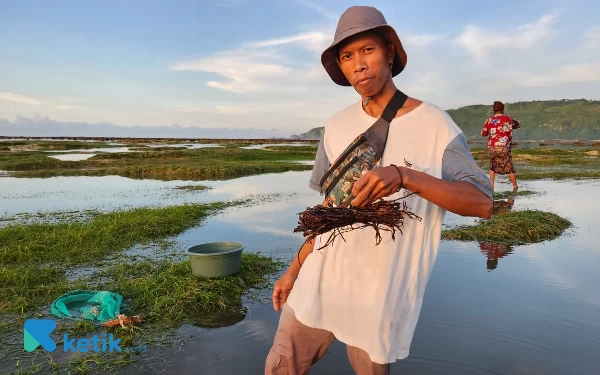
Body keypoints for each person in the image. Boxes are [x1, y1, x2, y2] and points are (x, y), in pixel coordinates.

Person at [265, 6, 493, 374]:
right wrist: (293, 271)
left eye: (367, 50)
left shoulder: (434, 124)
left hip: (379, 293)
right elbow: (328, 210)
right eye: (347, 56)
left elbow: (482, 203)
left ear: (389, 52)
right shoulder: (337, 126)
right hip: (320, 280)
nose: (358, 64)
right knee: (280, 365)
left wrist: (406, 176)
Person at [481, 101, 521, 192]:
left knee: (492, 166)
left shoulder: (490, 120)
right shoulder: (508, 118)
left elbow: (483, 133)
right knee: (509, 167)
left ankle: (491, 185)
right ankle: (515, 186)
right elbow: (517, 125)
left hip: (493, 147)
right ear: (502, 109)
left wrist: (491, 131)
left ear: (494, 110)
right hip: (504, 147)